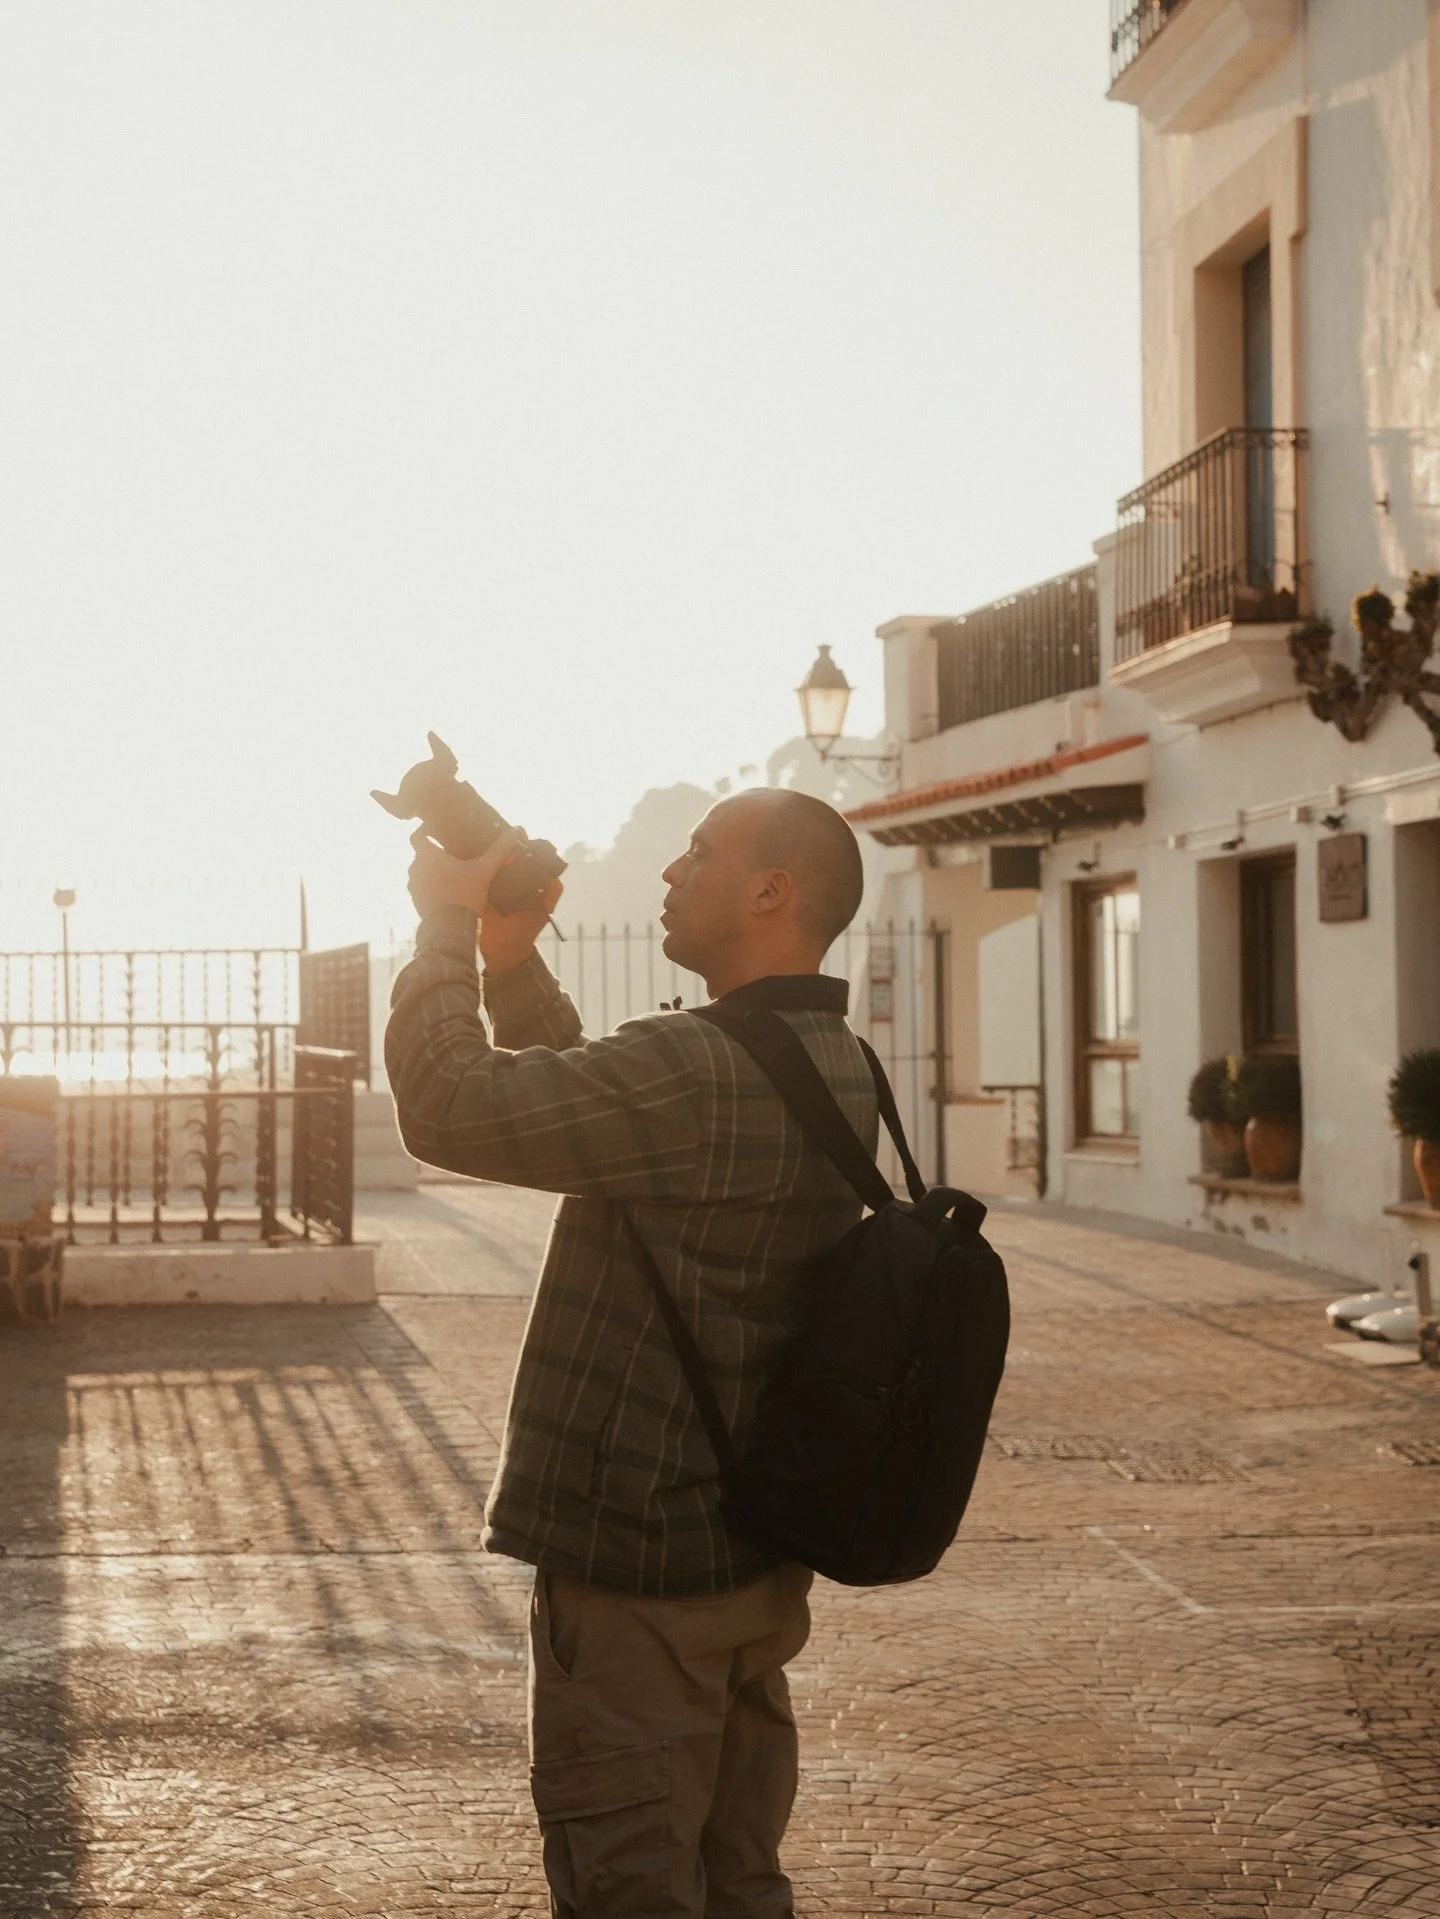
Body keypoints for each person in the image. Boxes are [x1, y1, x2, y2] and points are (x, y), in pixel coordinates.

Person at [386, 787, 877, 1919]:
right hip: (749, 1561)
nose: (670, 870)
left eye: (699, 852)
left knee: (631, 1889)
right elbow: (610, 1124)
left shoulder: (697, 1065)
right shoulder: (832, 1059)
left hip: (639, 1573)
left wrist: (446, 922)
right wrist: (516, 967)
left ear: (772, 892)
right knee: (738, 1881)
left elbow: (446, 1103)